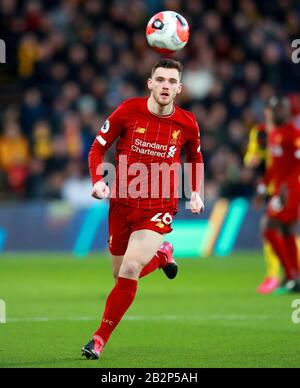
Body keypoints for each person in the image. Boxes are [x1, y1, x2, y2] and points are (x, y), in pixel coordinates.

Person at [82, 59, 205, 360]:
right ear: (149, 83)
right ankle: (163, 256)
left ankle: (98, 339)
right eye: (160, 79)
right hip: (123, 201)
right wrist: (98, 182)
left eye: (171, 81)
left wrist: (196, 192)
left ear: (179, 88)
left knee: (131, 267)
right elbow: (97, 148)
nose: (165, 85)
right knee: (119, 275)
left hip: (158, 205)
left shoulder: (187, 122)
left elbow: (195, 157)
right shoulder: (128, 110)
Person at [258, 96, 300, 294]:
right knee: (286, 231)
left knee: (269, 226)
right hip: (280, 189)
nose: (278, 113)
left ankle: (292, 275)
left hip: (291, 190)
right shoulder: (274, 134)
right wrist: (262, 187)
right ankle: (294, 277)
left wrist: (286, 188)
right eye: (275, 110)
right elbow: (274, 167)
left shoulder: (293, 134)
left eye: (282, 109)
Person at [244, 123, 281, 294]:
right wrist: (252, 158)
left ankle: (277, 276)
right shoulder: (259, 131)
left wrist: (260, 191)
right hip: (278, 189)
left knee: (273, 230)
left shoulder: (286, 135)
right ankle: (283, 275)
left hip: (286, 188)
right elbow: (252, 156)